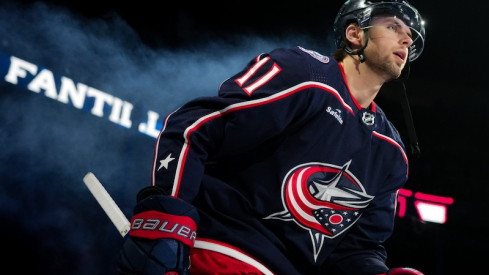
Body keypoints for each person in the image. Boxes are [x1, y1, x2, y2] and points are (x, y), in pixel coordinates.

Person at [116, 0, 427, 274]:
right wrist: (167, 213)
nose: (407, 37)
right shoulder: (305, 74)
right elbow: (194, 127)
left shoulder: (392, 152)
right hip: (216, 252)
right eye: (394, 26)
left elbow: (356, 249)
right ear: (355, 33)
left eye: (410, 34)